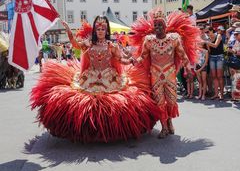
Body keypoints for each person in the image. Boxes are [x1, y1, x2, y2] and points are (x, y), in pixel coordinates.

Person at [31, 16, 160, 143]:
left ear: (106, 31)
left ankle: (111, 130)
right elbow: (76, 45)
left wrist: (131, 61)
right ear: (95, 30)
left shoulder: (112, 46)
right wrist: (69, 33)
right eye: (98, 29)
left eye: (103, 29)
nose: (100, 31)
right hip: (90, 77)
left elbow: (121, 60)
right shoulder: (88, 43)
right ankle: (88, 129)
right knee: (86, 102)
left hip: (110, 78)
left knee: (111, 104)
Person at [131, 8, 200, 139]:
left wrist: (188, 69)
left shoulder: (174, 39)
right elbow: (143, 56)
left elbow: (183, 55)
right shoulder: (149, 40)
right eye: (155, 25)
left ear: (165, 26)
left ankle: (169, 121)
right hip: (155, 75)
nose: (157, 27)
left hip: (170, 74)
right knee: (159, 102)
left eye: (160, 24)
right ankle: (164, 127)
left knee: (171, 101)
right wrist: (134, 61)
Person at [207, 27, 224, 100]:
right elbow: (209, 50)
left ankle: (222, 94)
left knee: (219, 76)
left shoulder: (218, 35)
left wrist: (207, 43)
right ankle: (216, 94)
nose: (207, 33)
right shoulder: (208, 39)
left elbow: (216, 45)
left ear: (211, 31)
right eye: (206, 32)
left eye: (208, 32)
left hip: (219, 57)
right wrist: (207, 44)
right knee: (214, 76)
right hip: (212, 57)